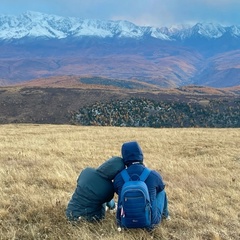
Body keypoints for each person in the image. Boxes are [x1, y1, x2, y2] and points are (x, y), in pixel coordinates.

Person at [113, 141, 170, 229]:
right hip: (151, 222)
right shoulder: (153, 175)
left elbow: (117, 191)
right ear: (141, 154)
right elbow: (161, 187)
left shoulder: (119, 177)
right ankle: (166, 216)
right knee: (162, 192)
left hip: (123, 223)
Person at [66, 156, 125, 222]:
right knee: (101, 200)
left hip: (70, 213)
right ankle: (114, 207)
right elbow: (108, 200)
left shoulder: (86, 171)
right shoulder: (109, 188)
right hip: (90, 219)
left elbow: (79, 182)